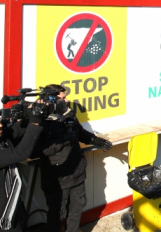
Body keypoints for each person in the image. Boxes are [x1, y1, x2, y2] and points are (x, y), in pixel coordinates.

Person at [34, 84, 112, 232]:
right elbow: (36, 151)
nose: (67, 100)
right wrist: (62, 142)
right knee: (57, 214)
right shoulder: (39, 121)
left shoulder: (69, 113)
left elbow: (80, 132)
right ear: (50, 100)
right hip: (57, 178)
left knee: (77, 208)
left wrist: (95, 140)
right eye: (63, 98)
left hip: (77, 172)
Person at [0, 106, 44, 231]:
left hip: (13, 210)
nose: (0, 125)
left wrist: (31, 112)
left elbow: (13, 130)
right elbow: (20, 153)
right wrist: (35, 122)